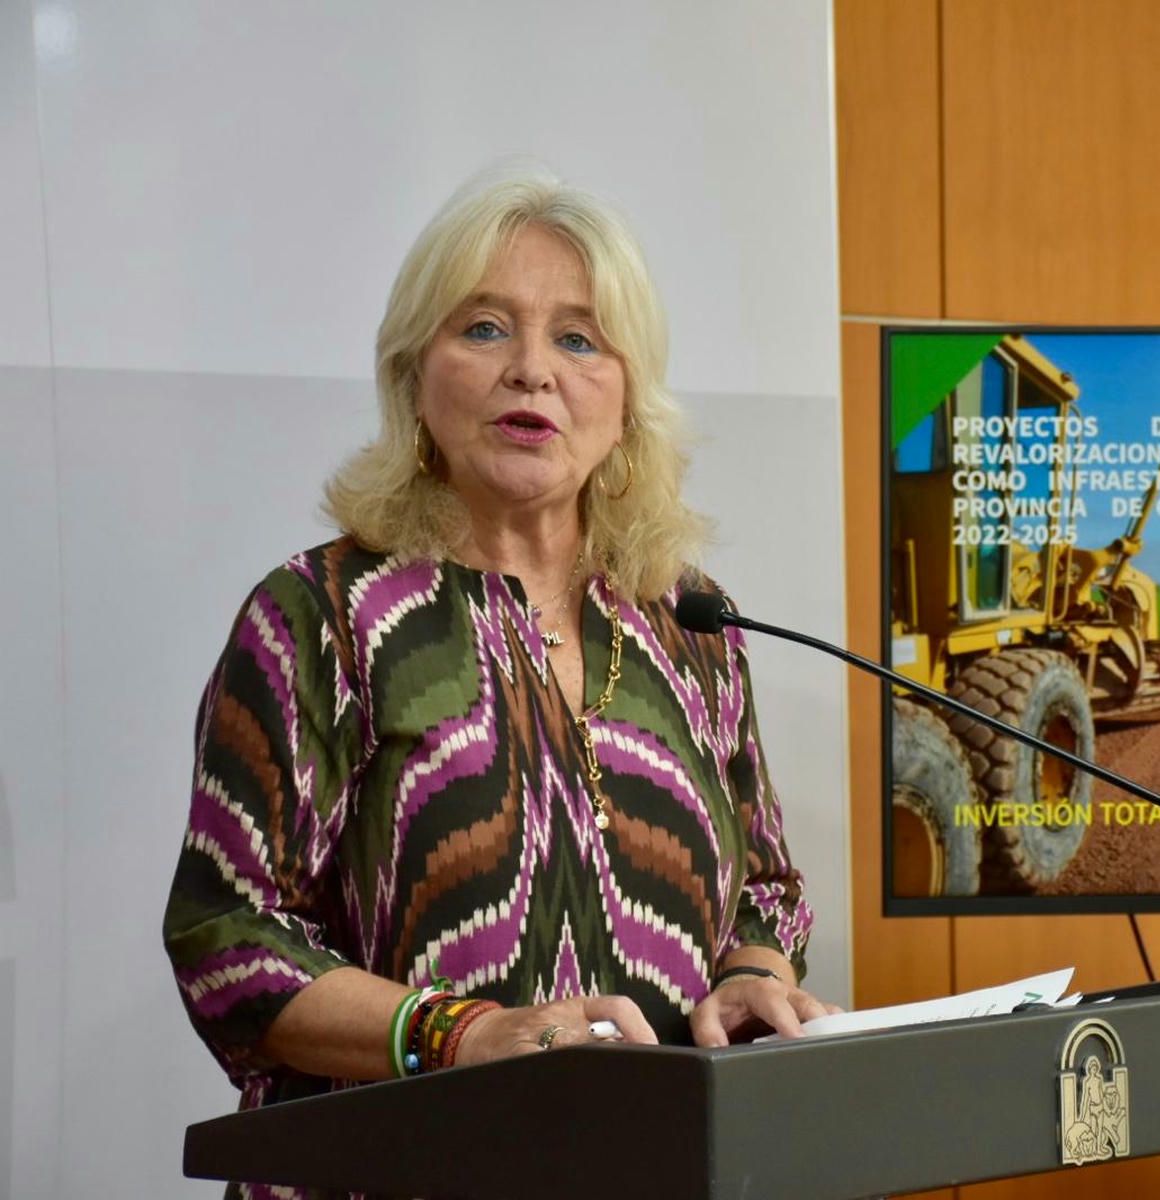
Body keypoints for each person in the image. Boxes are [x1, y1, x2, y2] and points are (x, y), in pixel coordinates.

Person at [162, 166, 831, 1194]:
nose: (532, 371)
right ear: (414, 377)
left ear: (628, 401)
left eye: (579, 339)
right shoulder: (327, 614)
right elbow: (228, 938)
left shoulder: (689, 620)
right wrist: (462, 1033)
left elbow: (766, 893)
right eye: (483, 329)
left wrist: (752, 977)